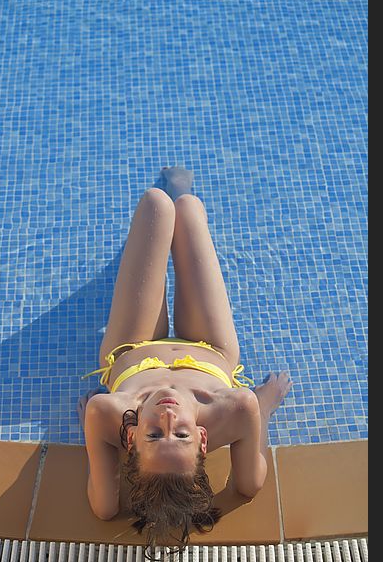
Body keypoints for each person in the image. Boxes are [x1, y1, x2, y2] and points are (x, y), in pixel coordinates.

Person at [77, 167, 292, 552]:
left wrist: (94, 437)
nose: (169, 417)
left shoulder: (108, 411)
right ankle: (182, 193)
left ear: (130, 437)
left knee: (156, 206)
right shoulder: (236, 409)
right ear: (203, 439)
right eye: (181, 435)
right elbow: (250, 483)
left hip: (133, 346)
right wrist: (265, 406)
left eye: (154, 435)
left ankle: (162, 213)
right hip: (210, 350)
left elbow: (105, 507)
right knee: (188, 208)